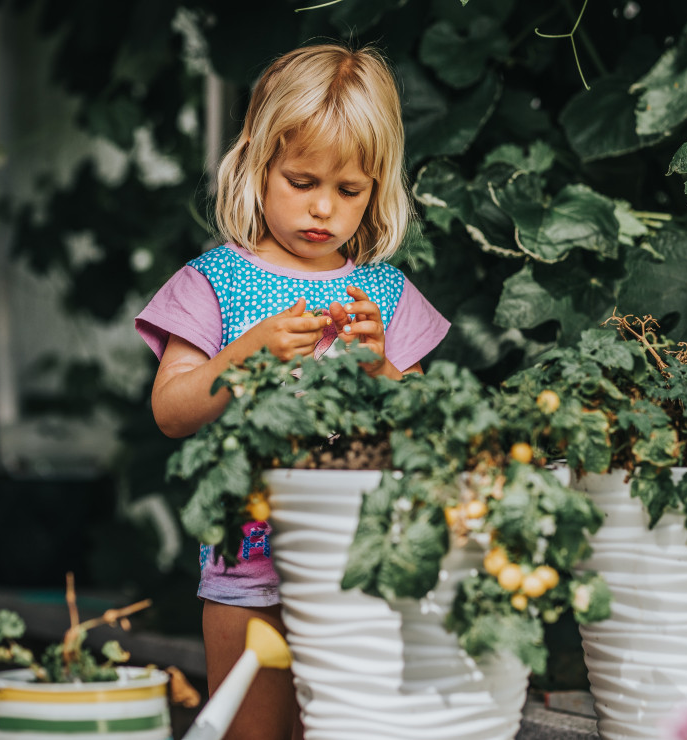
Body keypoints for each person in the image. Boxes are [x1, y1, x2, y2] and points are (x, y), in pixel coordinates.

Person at [135, 43, 450, 740]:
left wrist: (380, 367)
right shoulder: (213, 282)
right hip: (247, 559)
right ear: (257, 164)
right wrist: (249, 350)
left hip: (361, 565)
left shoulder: (385, 293)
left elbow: (431, 429)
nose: (324, 210)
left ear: (378, 189)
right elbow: (170, 410)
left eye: (350, 191)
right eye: (302, 180)